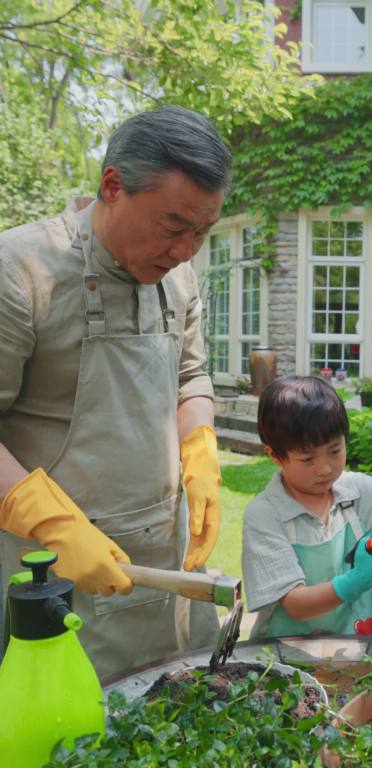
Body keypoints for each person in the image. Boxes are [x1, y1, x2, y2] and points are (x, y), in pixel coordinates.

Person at [0, 105, 231, 679]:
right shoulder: (21, 270)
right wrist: (49, 521)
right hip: (54, 574)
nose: (186, 250)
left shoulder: (178, 277)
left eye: (203, 232)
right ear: (112, 187)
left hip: (165, 569)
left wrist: (199, 446)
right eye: (174, 226)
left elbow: (190, 375)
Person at [241, 376, 372, 638]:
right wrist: (357, 581)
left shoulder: (355, 490)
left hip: (365, 652)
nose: (325, 468)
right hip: (289, 661)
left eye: (335, 450)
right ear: (274, 455)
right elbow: (295, 605)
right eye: (307, 459)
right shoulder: (265, 515)